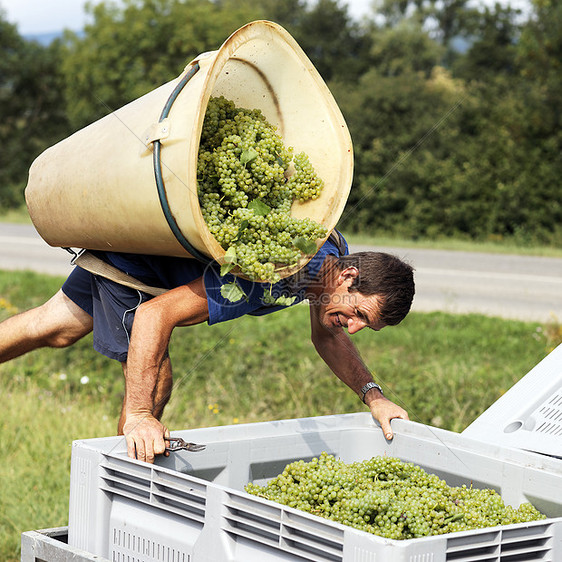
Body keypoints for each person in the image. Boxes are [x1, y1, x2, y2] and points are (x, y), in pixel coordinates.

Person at [0, 231, 415, 463]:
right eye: (359, 313)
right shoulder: (276, 270)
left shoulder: (329, 256)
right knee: (155, 382)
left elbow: (327, 336)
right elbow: (154, 316)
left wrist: (373, 396)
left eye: (367, 325)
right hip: (136, 260)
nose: (355, 327)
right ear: (348, 276)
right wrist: (140, 415)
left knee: (53, 326)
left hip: (138, 250)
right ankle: (119, 488)